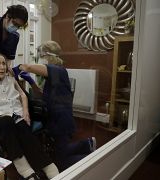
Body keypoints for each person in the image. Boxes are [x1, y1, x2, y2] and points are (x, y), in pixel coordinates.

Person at [12, 41, 97, 171]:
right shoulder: (53, 75)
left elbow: (28, 67)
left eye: (41, 56)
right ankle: (87, 144)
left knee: (62, 162)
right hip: (55, 118)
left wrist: (18, 68)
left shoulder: (58, 71)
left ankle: (91, 160)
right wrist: (31, 82)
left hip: (61, 120)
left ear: (47, 55)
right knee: (60, 154)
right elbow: (41, 95)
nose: (40, 59)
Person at [0, 53, 59, 180]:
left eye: (4, 63)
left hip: (16, 113)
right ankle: (26, 170)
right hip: (0, 117)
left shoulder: (10, 78)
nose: (2, 67)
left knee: (23, 129)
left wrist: (26, 111)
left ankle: (47, 165)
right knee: (7, 122)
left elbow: (23, 94)